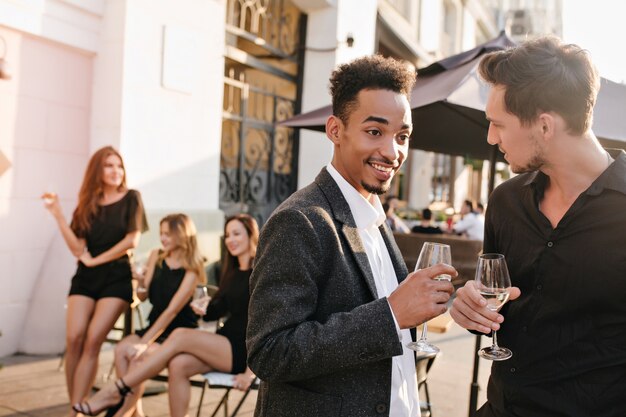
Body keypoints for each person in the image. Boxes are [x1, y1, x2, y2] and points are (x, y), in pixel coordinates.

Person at [246, 55, 456, 416]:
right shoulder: (301, 220)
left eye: (402, 136)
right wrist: (390, 315)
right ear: (335, 130)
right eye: (375, 132)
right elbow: (270, 351)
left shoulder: (374, 215)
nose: (393, 152)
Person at [450, 36, 626, 417]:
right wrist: (473, 311)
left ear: (544, 125)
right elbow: (497, 308)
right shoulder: (504, 202)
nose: (491, 138)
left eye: (498, 124)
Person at [73, 214, 259, 417]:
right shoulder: (231, 271)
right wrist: (203, 308)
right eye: (227, 235)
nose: (230, 239)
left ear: (252, 236)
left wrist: (250, 373)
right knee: (178, 365)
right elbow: (215, 313)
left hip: (243, 350)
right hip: (223, 342)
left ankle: (116, 390)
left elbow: (264, 322)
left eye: (236, 234)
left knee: (179, 334)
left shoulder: (259, 273)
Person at [42, 145, 148, 414]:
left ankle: (78, 411)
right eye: (109, 165)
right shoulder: (87, 203)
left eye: (119, 166)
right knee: (74, 338)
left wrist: (97, 260)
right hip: (86, 277)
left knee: (92, 341)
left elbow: (131, 240)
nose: (116, 171)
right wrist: (58, 215)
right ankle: (76, 406)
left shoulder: (131, 198)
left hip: (116, 277)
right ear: (97, 171)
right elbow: (78, 249)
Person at [110, 213, 206, 417]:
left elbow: (172, 311)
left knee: (137, 357)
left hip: (178, 332)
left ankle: (122, 412)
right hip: (154, 325)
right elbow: (143, 297)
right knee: (121, 349)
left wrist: (144, 342)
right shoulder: (157, 255)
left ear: (182, 235)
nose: (163, 238)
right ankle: (134, 411)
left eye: (168, 234)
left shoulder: (193, 268)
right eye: (161, 233)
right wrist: (141, 281)